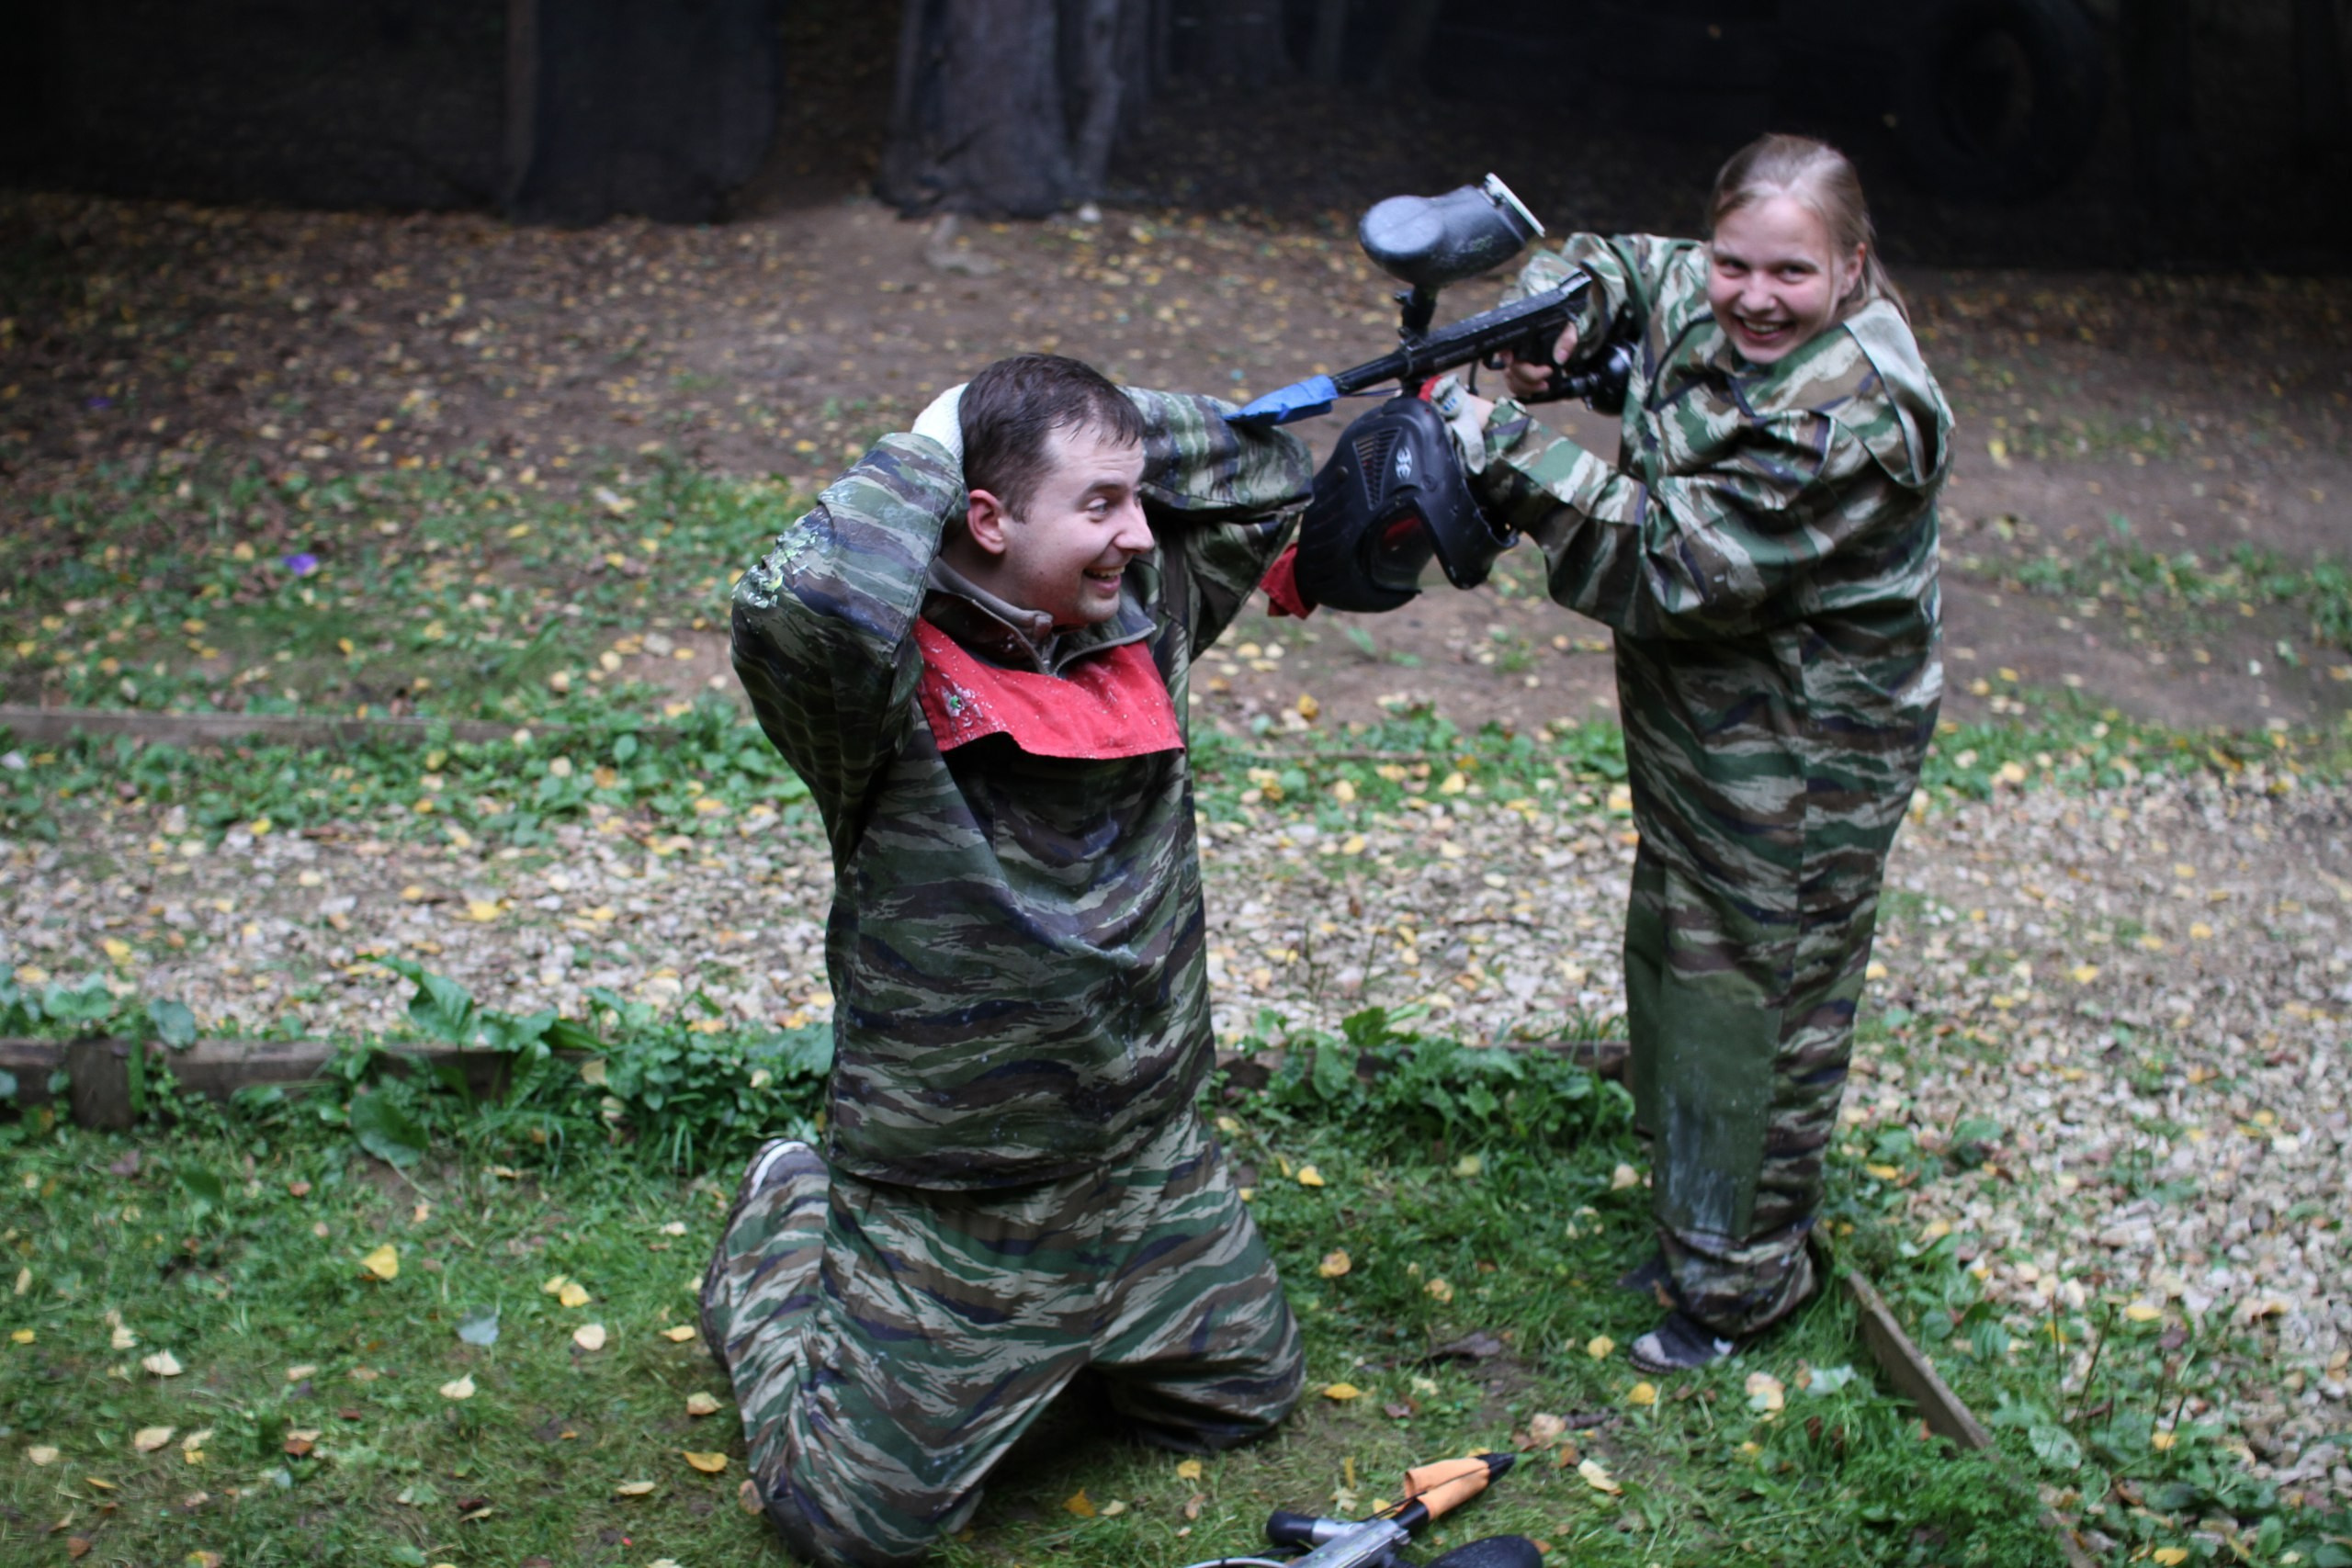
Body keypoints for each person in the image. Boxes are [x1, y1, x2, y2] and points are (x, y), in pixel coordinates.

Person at [701, 354, 1314, 1567]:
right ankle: (788, 1214)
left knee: (1250, 1399)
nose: (1140, 532)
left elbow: (1262, 475)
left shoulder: (1152, 609)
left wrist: (1098, 421)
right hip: (959, 1203)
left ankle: (1070, 1338)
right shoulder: (868, 679)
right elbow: (799, 599)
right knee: (851, 1534)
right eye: (1100, 505)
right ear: (981, 517)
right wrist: (937, 438)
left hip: (1144, 1167)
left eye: (1138, 500)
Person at [1442, 133, 1952, 1372]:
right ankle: (1699, 1232)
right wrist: (1557, 314)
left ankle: (1740, 1296)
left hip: (1799, 765)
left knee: (1755, 1006)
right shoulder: (1702, 287)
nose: (1754, 298)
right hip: (1701, 741)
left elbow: (1684, 567)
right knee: (1677, 966)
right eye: (1736, 264)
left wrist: (1498, 442)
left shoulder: (1858, 413)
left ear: (1854, 269)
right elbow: (1619, 263)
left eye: (1792, 273)